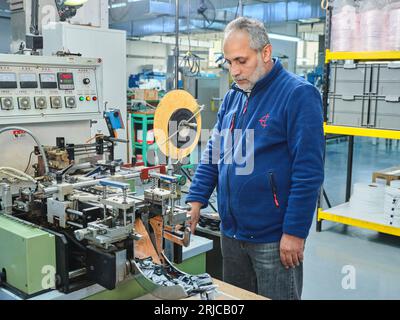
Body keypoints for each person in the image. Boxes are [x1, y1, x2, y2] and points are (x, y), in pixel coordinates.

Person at [185, 17, 324, 300]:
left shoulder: (298, 95)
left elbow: (308, 172)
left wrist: (295, 232)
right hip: (232, 233)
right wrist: (196, 199)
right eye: (228, 62)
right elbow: (214, 152)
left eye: (241, 61)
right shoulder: (233, 97)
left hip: (273, 239)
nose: (234, 71)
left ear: (266, 53)